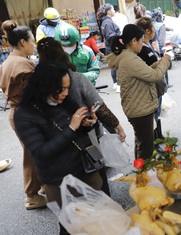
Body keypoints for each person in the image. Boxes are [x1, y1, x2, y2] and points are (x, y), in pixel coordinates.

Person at [14, 62, 104, 234]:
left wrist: (88, 124)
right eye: (61, 89)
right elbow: (41, 153)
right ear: (45, 86)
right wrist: (72, 128)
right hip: (60, 179)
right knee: (71, 225)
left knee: (95, 218)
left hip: (84, 167)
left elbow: (79, 130)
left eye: (68, 88)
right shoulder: (24, 114)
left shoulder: (64, 100)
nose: (65, 93)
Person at [36, 37, 126, 196]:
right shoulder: (77, 78)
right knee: (98, 177)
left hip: (57, 143)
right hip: (87, 138)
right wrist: (118, 128)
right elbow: (100, 108)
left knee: (70, 189)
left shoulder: (37, 83)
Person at [0, 21, 47, 210]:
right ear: (22, 42)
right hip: (26, 114)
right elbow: (36, 92)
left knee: (33, 152)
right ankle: (31, 196)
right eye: (32, 42)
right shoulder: (23, 64)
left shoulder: (7, 62)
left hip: (16, 112)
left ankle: (42, 186)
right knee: (31, 154)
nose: (34, 45)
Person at [107, 24, 170, 160]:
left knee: (141, 143)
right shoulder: (130, 59)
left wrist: (157, 64)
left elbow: (145, 72)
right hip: (140, 109)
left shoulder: (127, 56)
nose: (142, 44)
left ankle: (141, 175)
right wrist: (165, 61)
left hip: (137, 106)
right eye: (141, 41)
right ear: (134, 41)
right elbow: (154, 76)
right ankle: (143, 177)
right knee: (146, 148)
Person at [135, 17, 170, 152]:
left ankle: (158, 137)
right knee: (153, 116)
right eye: (153, 28)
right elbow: (152, 70)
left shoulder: (148, 45)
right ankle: (154, 144)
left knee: (157, 113)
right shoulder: (143, 49)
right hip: (152, 87)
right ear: (148, 30)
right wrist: (163, 61)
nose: (155, 31)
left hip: (157, 87)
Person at [97, 3, 121, 93]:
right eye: (113, 9)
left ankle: (115, 83)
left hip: (109, 46)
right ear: (109, 12)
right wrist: (118, 45)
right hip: (113, 47)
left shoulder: (104, 21)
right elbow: (111, 36)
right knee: (117, 66)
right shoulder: (108, 22)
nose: (114, 11)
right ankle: (118, 84)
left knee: (113, 66)